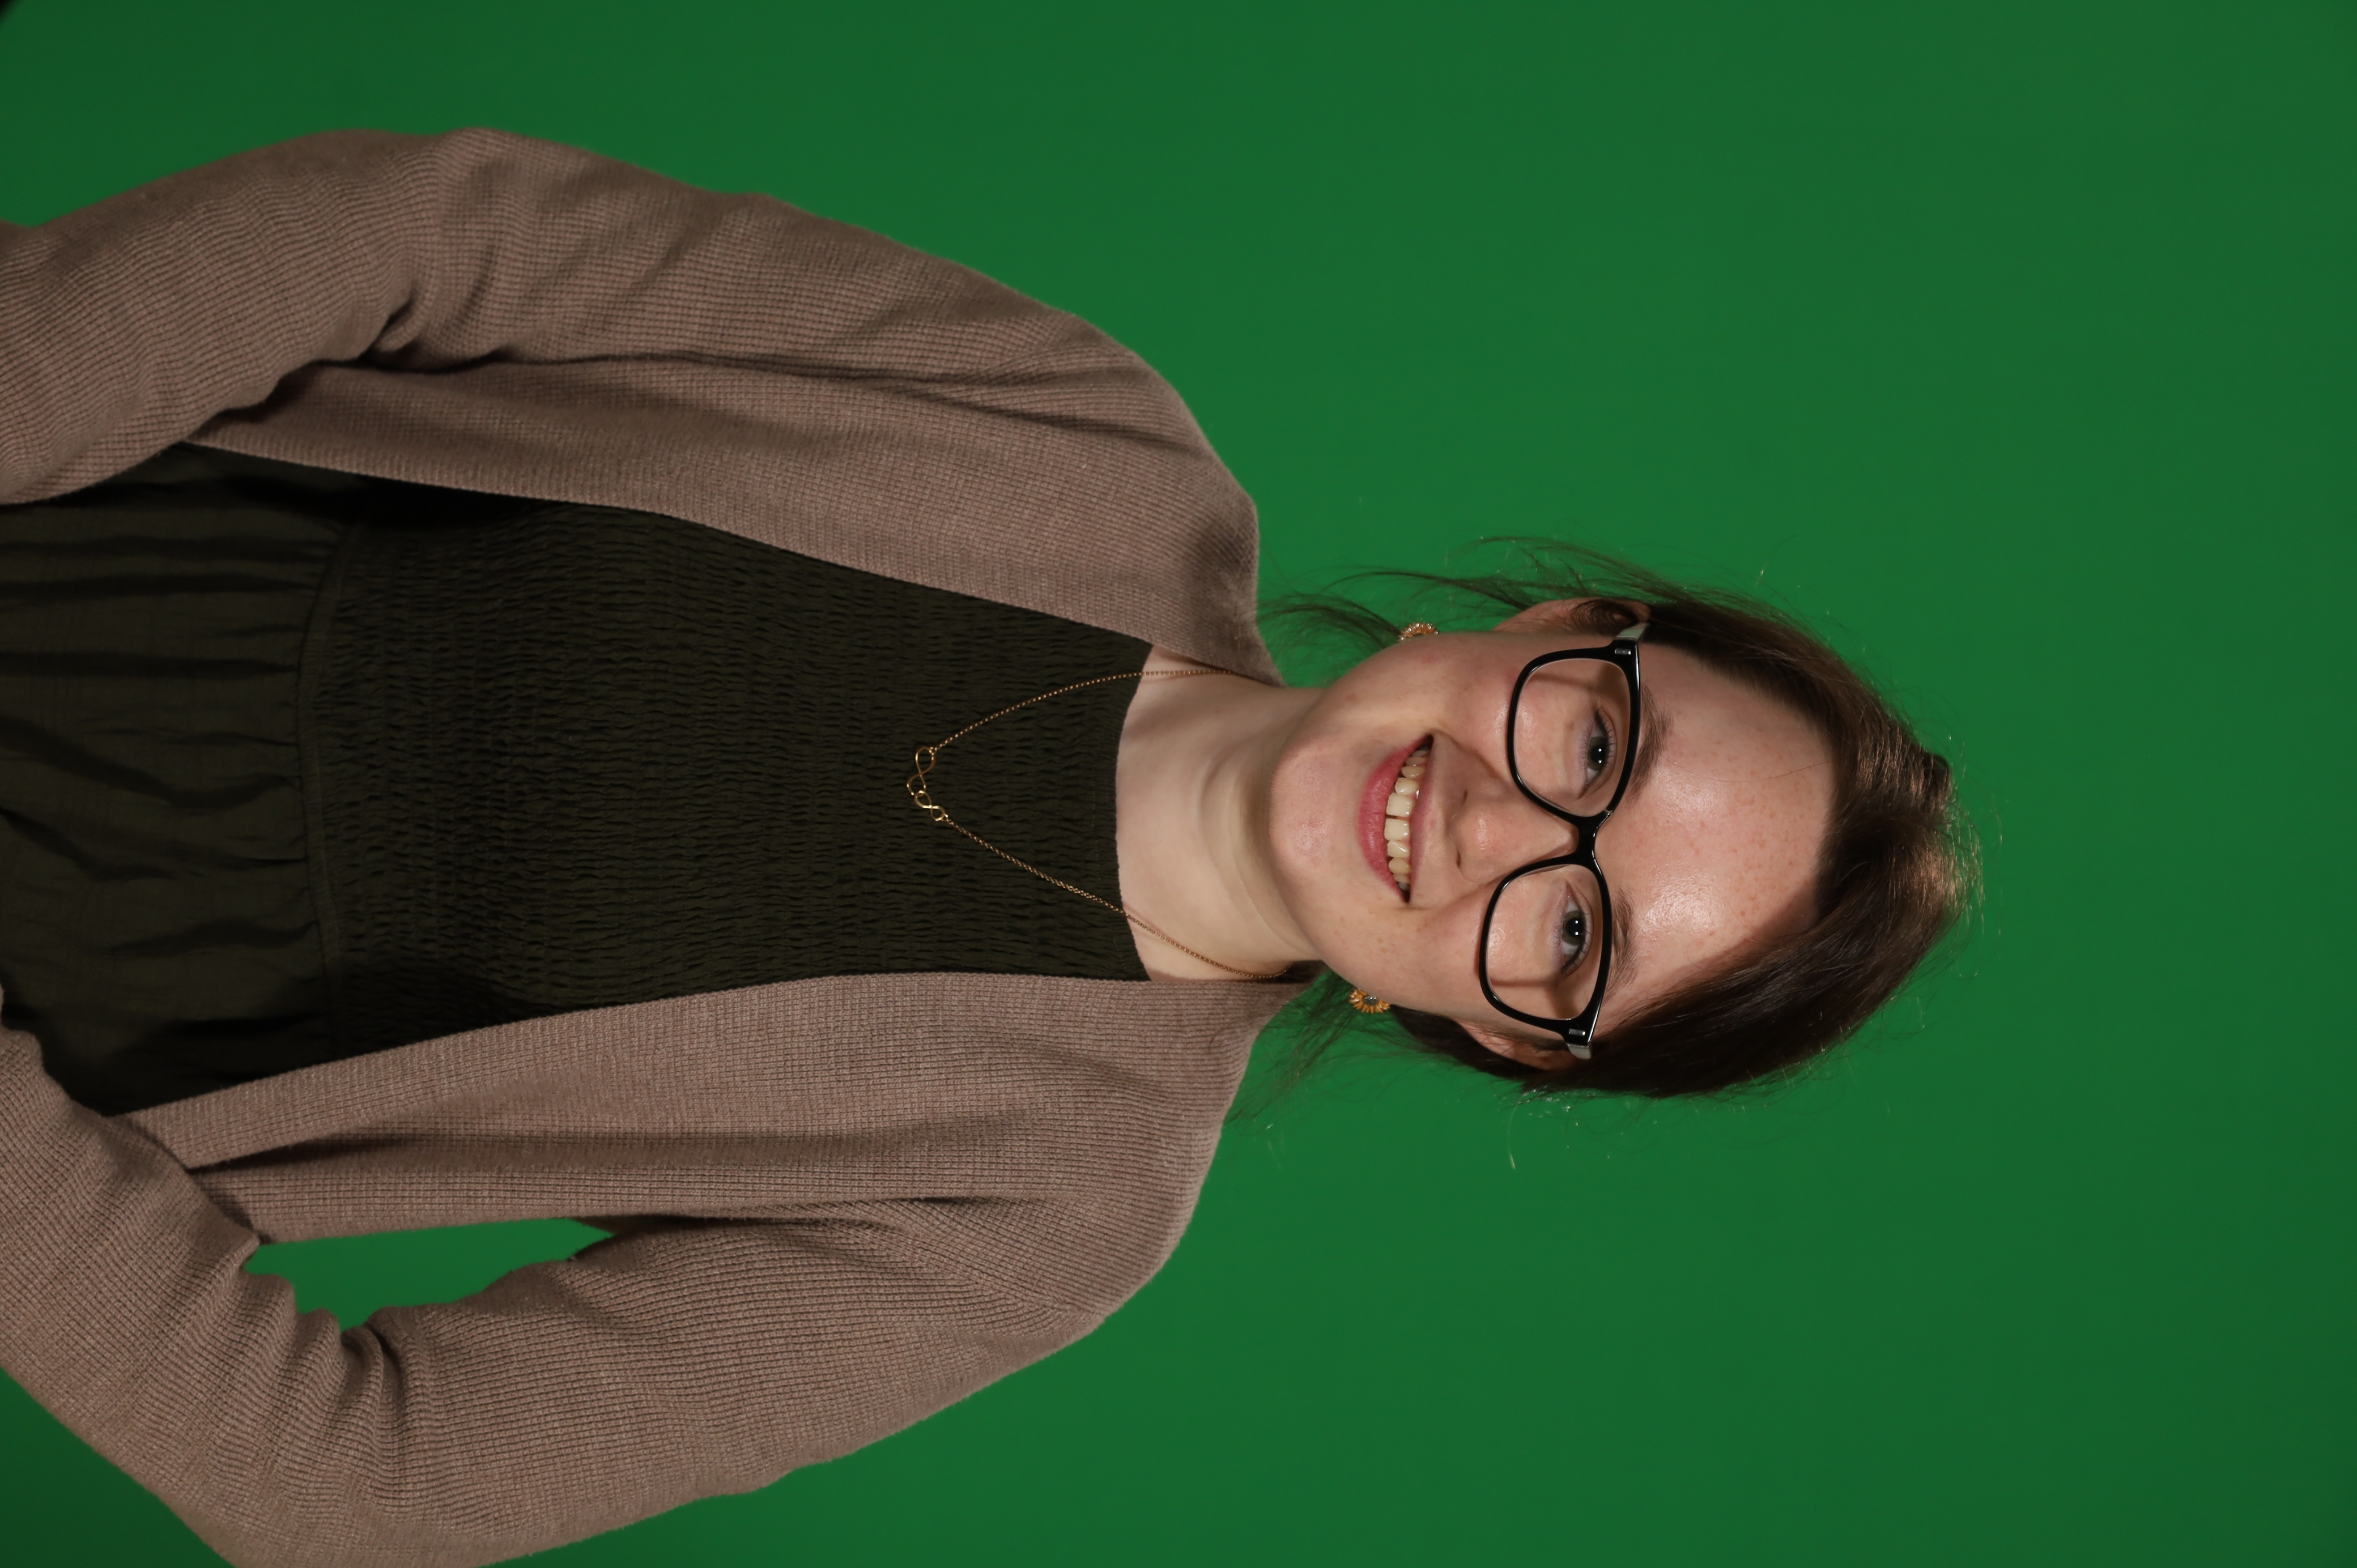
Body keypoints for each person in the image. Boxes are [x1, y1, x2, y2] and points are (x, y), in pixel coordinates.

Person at [0, 129, 1968, 1568]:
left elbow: (368, 1482)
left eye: (1575, 938)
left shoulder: (1048, 1211)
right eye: (1597, 744)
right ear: (1551, 626)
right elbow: (451, 232)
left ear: (1520, 1033)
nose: (1495, 827)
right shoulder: (1080, 432)